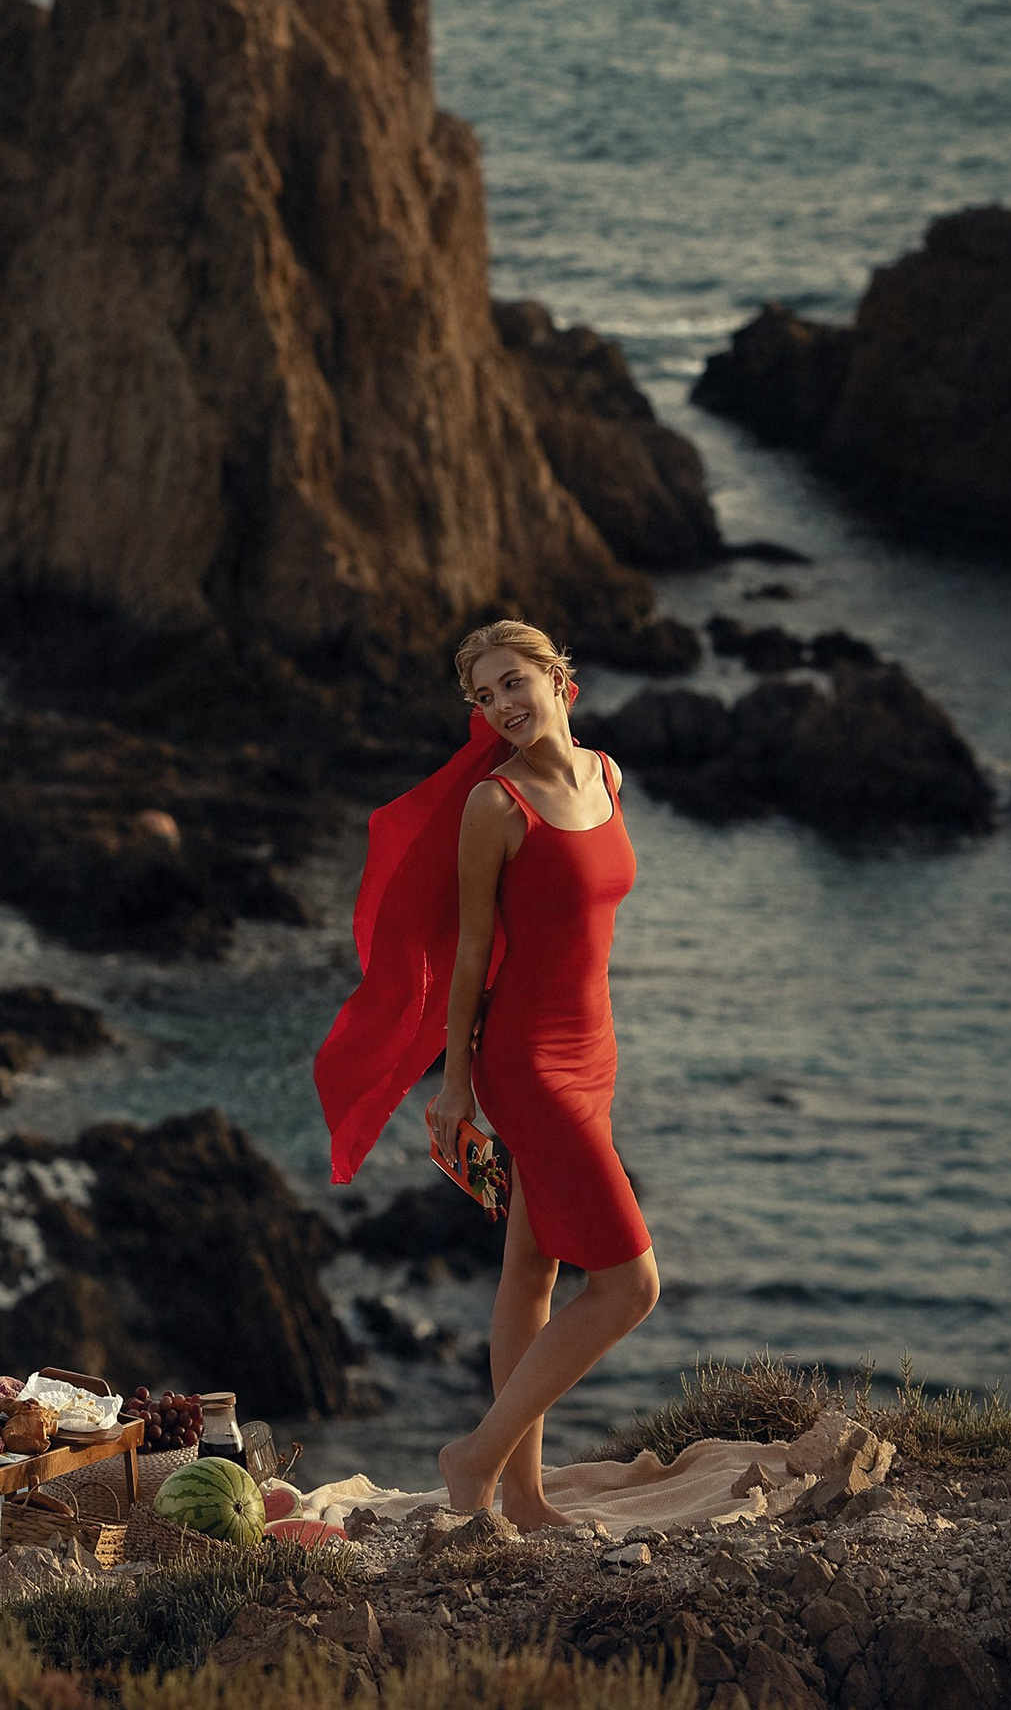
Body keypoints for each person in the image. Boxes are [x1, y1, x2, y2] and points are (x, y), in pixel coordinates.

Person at [312, 617, 658, 1529]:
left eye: (513, 682)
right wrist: (456, 1085)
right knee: (630, 1285)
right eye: (483, 695)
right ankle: (474, 1457)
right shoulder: (496, 807)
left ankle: (526, 1496)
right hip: (529, 1062)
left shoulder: (608, 777)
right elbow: (470, 958)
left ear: (558, 676)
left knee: (534, 1268)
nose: (502, 705)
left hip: (596, 1049)